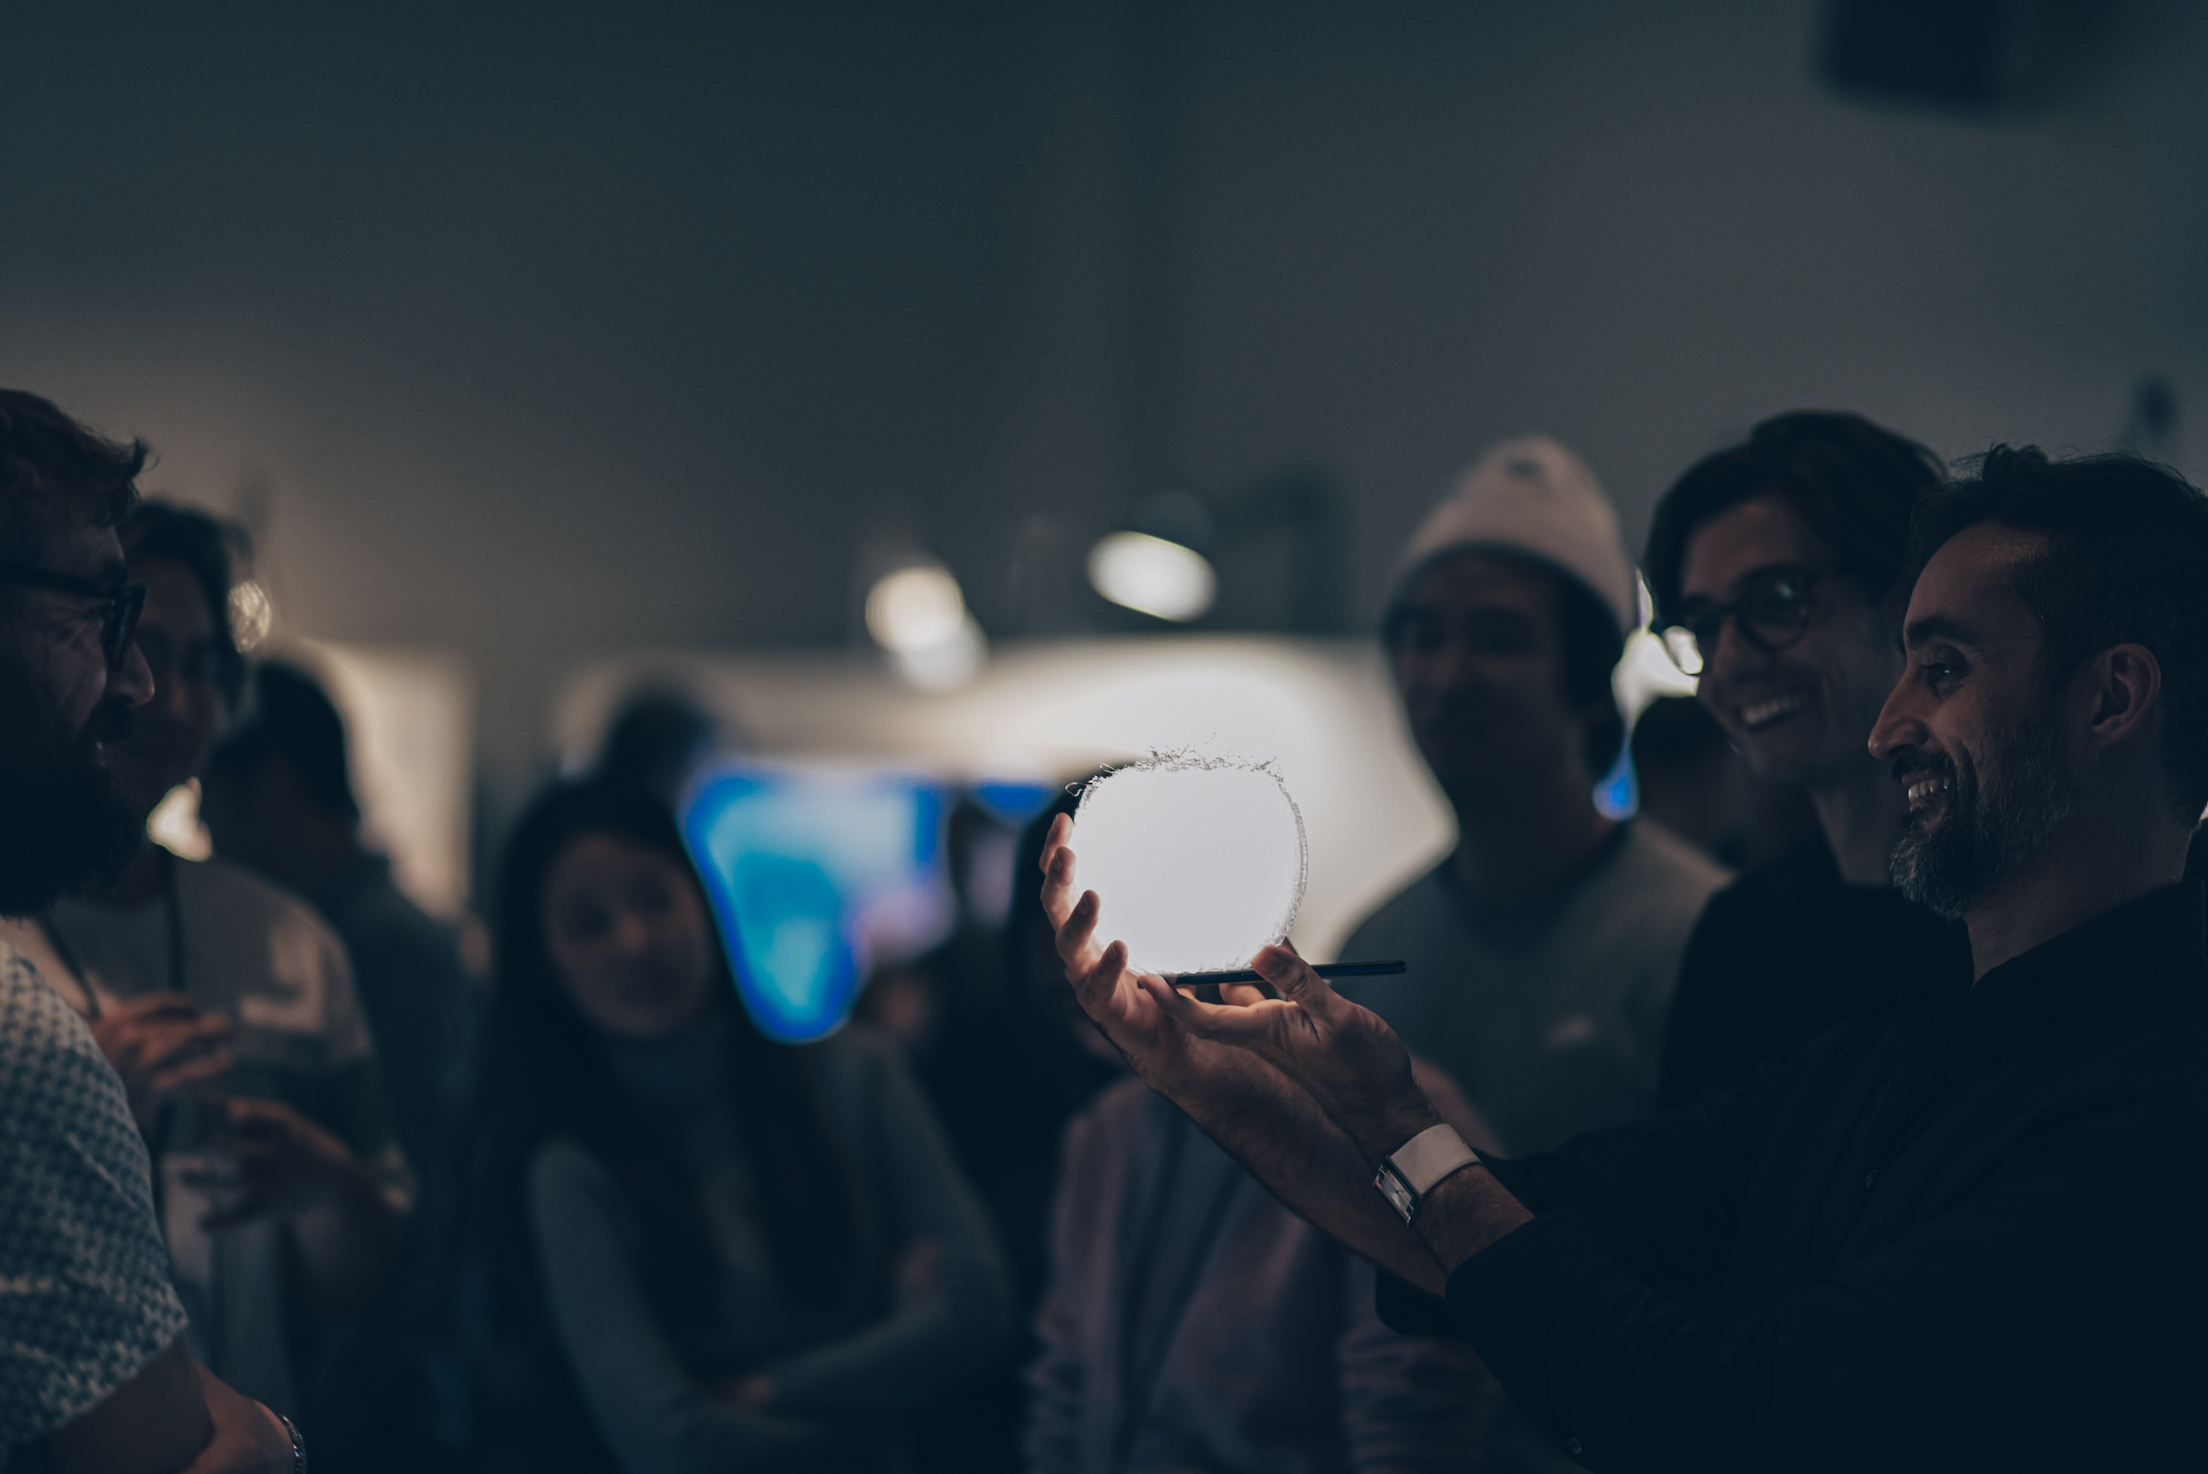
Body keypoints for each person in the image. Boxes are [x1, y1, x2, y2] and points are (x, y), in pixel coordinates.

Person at [1044, 445, 2208, 1470]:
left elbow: (1744, 1418)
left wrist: (1404, 1128)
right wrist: (1216, 1085)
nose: (1886, 724)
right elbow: (1524, 1221)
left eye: (1944, 670)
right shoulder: (1906, 1026)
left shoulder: (2159, 1104)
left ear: (2113, 699)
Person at [463, 780, 1015, 1473]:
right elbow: (673, 1446)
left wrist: (761, 1391)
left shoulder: (857, 1074)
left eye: (652, 898)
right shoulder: (572, 1170)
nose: (634, 941)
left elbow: (980, 1310)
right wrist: (895, 1376)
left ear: (702, 900)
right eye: (588, 923)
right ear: (544, 966)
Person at [0, 499, 409, 1423]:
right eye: (136, 643)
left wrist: (324, 1188)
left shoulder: (292, 944)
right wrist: (67, 1106)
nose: (168, 697)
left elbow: (368, 1279)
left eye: (207, 667)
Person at [0, 387, 294, 1471]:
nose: (140, 684)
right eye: (100, 613)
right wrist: (268, 1443)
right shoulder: (18, 1041)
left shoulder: (287, 936)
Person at [1339, 437, 1728, 1160]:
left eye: (1500, 638)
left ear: (1587, 684)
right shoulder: (1373, 951)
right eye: (1424, 637)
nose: (1450, 677)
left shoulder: (1702, 937)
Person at [1645, 412, 1948, 1109]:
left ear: (1907, 598)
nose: (1729, 664)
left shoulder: (2013, 918)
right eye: (1703, 627)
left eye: (1777, 602)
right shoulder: (1735, 936)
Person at [203, 659, 480, 1191]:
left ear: (274, 784)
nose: (201, 824)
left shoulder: (381, 943)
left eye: (205, 792)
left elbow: (411, 1173)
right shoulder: (366, 928)